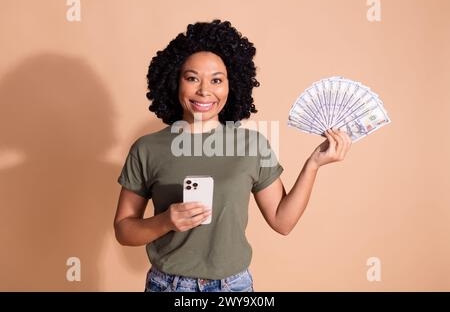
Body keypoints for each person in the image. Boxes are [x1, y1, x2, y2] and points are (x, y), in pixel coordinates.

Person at [114, 19, 351, 292]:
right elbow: (124, 230)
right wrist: (166, 221)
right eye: (192, 78)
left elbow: (282, 222)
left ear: (232, 85)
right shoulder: (146, 149)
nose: (204, 90)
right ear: (174, 81)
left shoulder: (253, 145)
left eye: (217, 80)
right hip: (168, 285)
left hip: (233, 287)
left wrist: (313, 165)